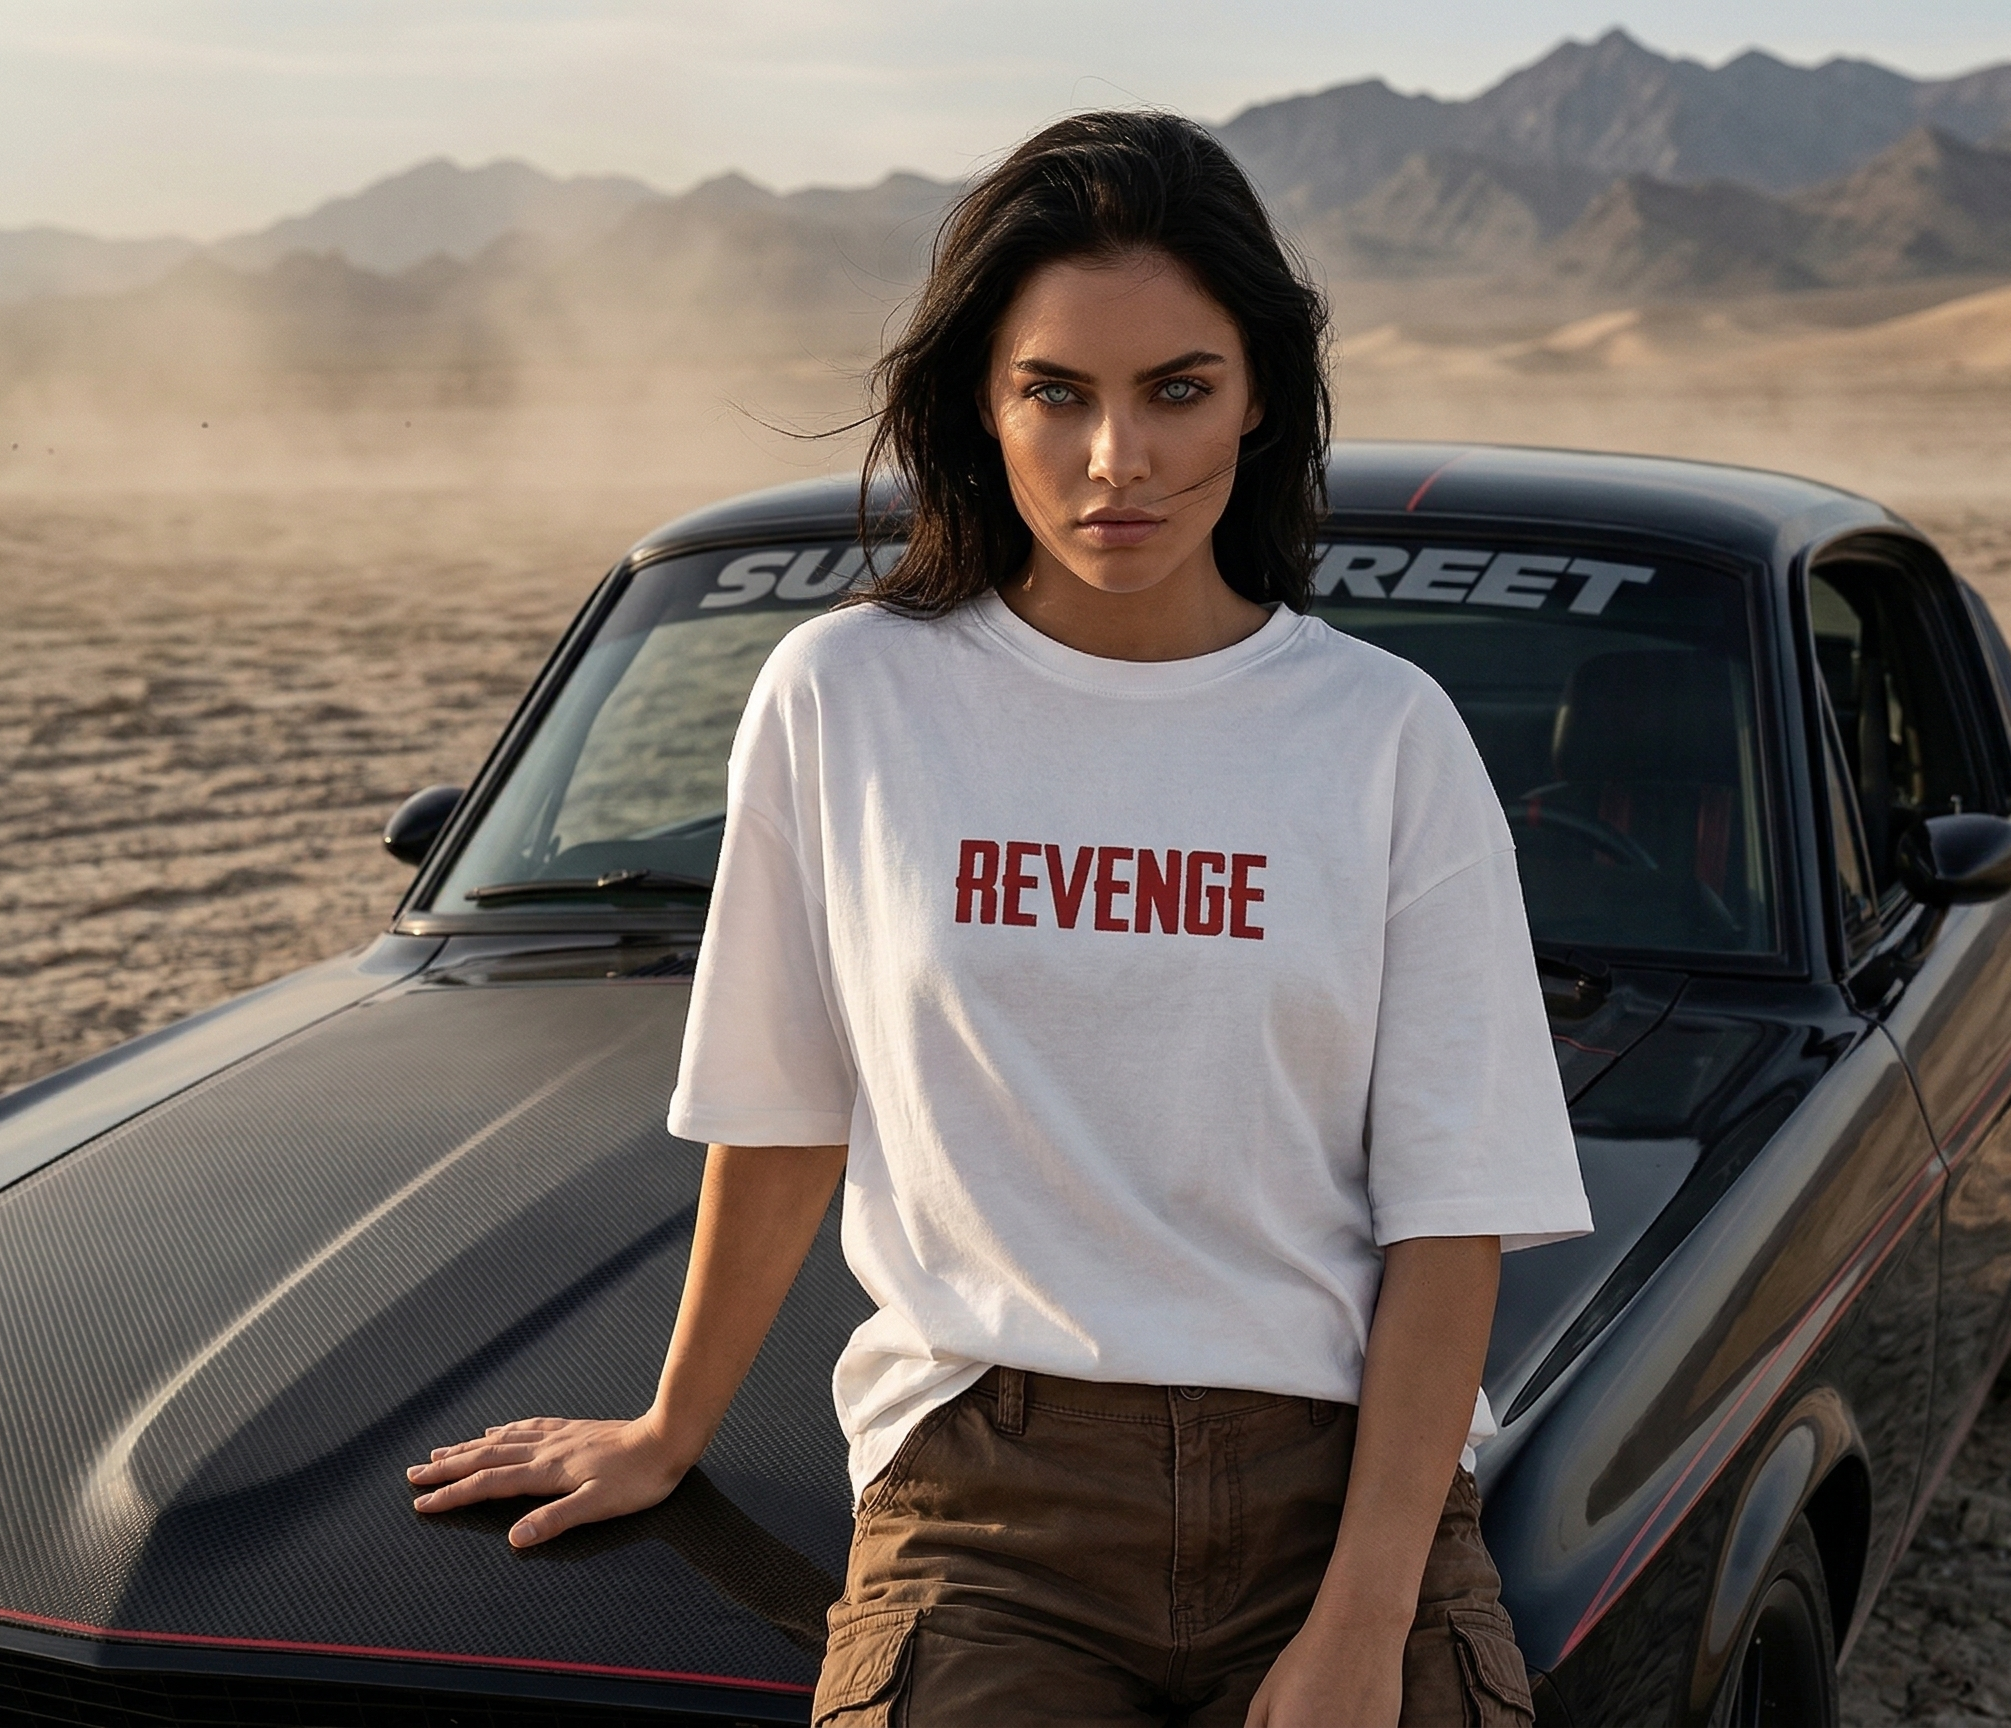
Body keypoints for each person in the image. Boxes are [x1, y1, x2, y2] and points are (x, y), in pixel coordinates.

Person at [409, 110, 1592, 1726]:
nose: (1122, 461)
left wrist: (1362, 1628)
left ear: (1259, 399)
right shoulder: (848, 695)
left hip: (1338, 1480)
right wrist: (669, 1428)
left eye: (1180, 389)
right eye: (1060, 391)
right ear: (983, 397)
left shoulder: (1384, 733)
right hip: (986, 1506)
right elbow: (780, 1109)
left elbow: (1449, 1212)